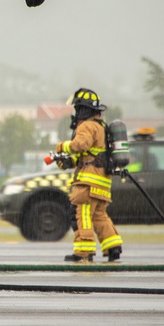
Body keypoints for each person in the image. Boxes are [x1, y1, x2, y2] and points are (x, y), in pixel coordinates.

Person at [55, 88, 124, 263]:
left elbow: (81, 145)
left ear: (83, 109)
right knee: (99, 215)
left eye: (77, 109)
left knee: (80, 213)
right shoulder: (101, 127)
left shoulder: (86, 126)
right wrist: (67, 162)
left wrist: (62, 147)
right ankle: (113, 247)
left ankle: (84, 251)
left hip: (88, 183)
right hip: (102, 183)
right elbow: (89, 154)